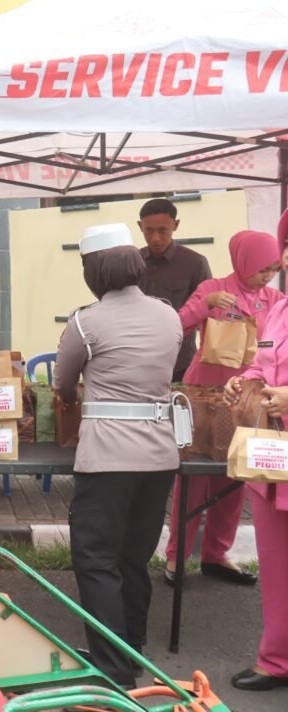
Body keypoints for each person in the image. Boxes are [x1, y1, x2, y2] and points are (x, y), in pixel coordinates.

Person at [54, 224, 182, 688]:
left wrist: (71, 397)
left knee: (96, 559)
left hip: (107, 459)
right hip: (160, 457)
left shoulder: (86, 322)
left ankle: (113, 669)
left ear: (93, 271)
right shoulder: (169, 316)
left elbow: (63, 383)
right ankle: (131, 649)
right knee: (133, 558)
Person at [164, 230, 282, 586]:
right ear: (242, 261)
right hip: (205, 397)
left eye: (274, 269)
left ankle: (216, 554)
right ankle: (176, 556)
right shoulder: (213, 288)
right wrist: (205, 305)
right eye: (262, 269)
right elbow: (175, 327)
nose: (268, 276)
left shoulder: (276, 300)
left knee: (236, 477)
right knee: (193, 479)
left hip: (247, 399)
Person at [224, 209, 288, 691]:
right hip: (272, 455)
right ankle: (276, 659)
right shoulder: (279, 309)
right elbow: (263, 364)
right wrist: (241, 381)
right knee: (276, 563)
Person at [138, 198, 213, 382]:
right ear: (140, 226)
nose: (155, 238)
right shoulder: (133, 261)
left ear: (176, 225)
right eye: (149, 230)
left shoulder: (195, 263)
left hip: (180, 363)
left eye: (163, 230)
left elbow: (208, 312)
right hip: (138, 359)